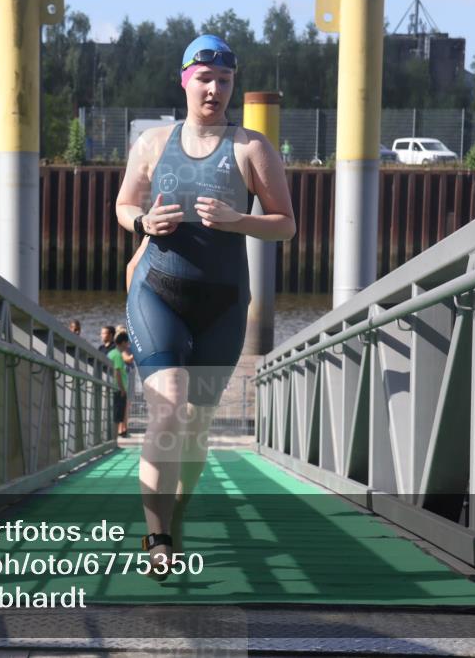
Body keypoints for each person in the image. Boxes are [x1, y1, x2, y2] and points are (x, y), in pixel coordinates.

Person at [116, 34, 295, 579]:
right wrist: (143, 223)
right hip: (158, 290)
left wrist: (238, 220)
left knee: (195, 427)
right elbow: (124, 205)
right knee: (166, 407)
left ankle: (180, 510)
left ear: (233, 85)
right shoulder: (152, 142)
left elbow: (285, 223)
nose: (214, 89)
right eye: (204, 79)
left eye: (224, 80)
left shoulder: (251, 148)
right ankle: (158, 536)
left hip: (222, 304)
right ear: (185, 81)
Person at [107, 332, 131, 437]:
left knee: (116, 414)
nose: (128, 345)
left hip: (114, 387)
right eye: (127, 343)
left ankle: (113, 438)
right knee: (117, 415)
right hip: (118, 388)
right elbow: (117, 372)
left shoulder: (111, 353)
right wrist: (122, 389)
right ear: (123, 342)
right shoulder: (117, 355)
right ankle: (114, 439)